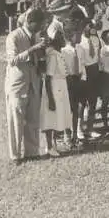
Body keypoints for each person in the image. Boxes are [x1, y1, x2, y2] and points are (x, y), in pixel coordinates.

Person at [4, 8, 46, 163]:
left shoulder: (37, 36)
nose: (41, 27)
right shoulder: (13, 36)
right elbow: (12, 60)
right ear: (30, 22)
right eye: (39, 24)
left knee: (33, 119)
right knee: (16, 120)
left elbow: (38, 59)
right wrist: (32, 49)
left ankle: (32, 152)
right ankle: (15, 155)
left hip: (33, 83)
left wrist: (41, 53)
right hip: (18, 84)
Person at [40, 24, 74, 157]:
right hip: (54, 88)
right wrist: (50, 99)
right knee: (51, 117)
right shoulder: (53, 55)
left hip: (60, 87)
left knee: (57, 117)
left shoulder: (59, 54)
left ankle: (53, 145)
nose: (63, 39)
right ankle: (48, 146)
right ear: (54, 40)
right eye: (60, 36)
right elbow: (48, 78)